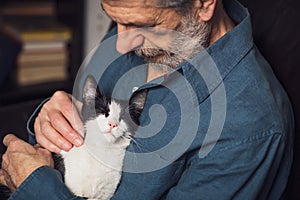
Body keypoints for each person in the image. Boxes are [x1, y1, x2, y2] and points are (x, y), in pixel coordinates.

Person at [0, 0, 294, 199]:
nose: (120, 44)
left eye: (143, 25)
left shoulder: (249, 127)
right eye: (114, 21)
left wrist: (36, 186)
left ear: (204, 4)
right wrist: (52, 120)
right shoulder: (137, 21)